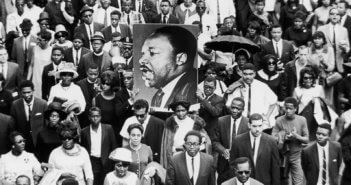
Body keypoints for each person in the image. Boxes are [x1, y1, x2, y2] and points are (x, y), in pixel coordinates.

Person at [139, 26, 197, 108]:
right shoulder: (159, 95)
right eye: (143, 54)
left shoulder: (192, 92)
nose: (141, 60)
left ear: (180, 59)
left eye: (152, 53)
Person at [160, 95, 210, 168]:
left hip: (194, 159)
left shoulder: (195, 122)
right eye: (178, 111)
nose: (181, 113)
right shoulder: (170, 124)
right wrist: (177, 149)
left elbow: (205, 142)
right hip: (176, 159)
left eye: (183, 110)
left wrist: (192, 147)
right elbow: (166, 146)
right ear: (174, 111)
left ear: (187, 110)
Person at [230, 113, 280, 185]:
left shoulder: (271, 141)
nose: (257, 129)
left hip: (264, 182)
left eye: (260, 126)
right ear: (249, 125)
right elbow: (233, 165)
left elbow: (275, 168)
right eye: (254, 126)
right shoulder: (238, 141)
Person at [272, 97, 309, 185]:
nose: (288, 110)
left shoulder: (302, 120)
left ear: (295, 109)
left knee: (298, 181)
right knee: (282, 180)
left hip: (297, 156)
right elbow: (272, 138)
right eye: (286, 108)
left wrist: (296, 136)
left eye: (290, 108)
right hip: (282, 156)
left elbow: (307, 140)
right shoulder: (279, 120)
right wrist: (282, 136)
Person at [212, 97, 249, 185]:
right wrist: (223, 151)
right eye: (233, 107)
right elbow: (215, 142)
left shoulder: (248, 123)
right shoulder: (221, 121)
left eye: (238, 109)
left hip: (241, 167)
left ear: (243, 109)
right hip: (224, 166)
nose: (234, 110)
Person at [80, 107, 117, 185]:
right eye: (93, 116)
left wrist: (112, 163)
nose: (95, 118)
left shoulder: (108, 128)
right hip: (92, 161)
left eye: (97, 116)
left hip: (106, 161)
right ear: (89, 117)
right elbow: (83, 149)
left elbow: (114, 146)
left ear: (101, 117)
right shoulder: (84, 131)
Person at [11, 80, 48, 152]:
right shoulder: (15, 104)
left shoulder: (42, 103)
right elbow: (13, 125)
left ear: (33, 91)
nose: (27, 95)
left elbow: (46, 124)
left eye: (29, 92)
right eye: (24, 93)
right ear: (20, 92)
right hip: (23, 141)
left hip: (39, 140)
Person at [318, 7, 350, 74]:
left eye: (337, 14)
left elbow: (348, 48)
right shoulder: (321, 29)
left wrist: (344, 48)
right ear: (329, 16)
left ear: (339, 17)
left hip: (339, 65)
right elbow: (316, 46)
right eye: (332, 14)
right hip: (326, 64)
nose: (335, 16)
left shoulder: (344, 30)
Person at [308, 31, 335, 105]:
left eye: (319, 38)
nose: (316, 40)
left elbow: (332, 66)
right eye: (315, 38)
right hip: (314, 78)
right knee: (315, 99)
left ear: (323, 40)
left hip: (326, 79)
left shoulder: (329, 50)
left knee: (327, 101)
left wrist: (324, 63)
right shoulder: (310, 50)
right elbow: (308, 64)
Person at [28, 30, 53, 99]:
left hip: (46, 80)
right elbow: (31, 65)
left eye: (40, 40)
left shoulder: (52, 50)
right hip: (36, 79)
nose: (38, 41)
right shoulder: (35, 49)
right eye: (37, 39)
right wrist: (28, 80)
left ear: (47, 41)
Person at [114, 70, 135, 145]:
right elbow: (118, 112)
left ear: (134, 78)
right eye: (124, 78)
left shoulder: (142, 91)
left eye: (129, 78)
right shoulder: (119, 94)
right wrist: (130, 101)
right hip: (126, 129)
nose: (126, 80)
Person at [76, 63, 100, 128]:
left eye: (95, 74)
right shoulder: (79, 84)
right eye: (91, 74)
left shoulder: (101, 83)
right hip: (83, 116)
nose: (93, 76)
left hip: (97, 115)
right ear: (87, 73)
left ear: (98, 73)